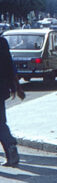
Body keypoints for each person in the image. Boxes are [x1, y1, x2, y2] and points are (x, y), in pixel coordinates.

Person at [0, 36, 23, 167]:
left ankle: (10, 147)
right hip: (1, 89)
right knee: (1, 122)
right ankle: (10, 147)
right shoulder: (2, 42)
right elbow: (10, 65)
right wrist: (16, 86)